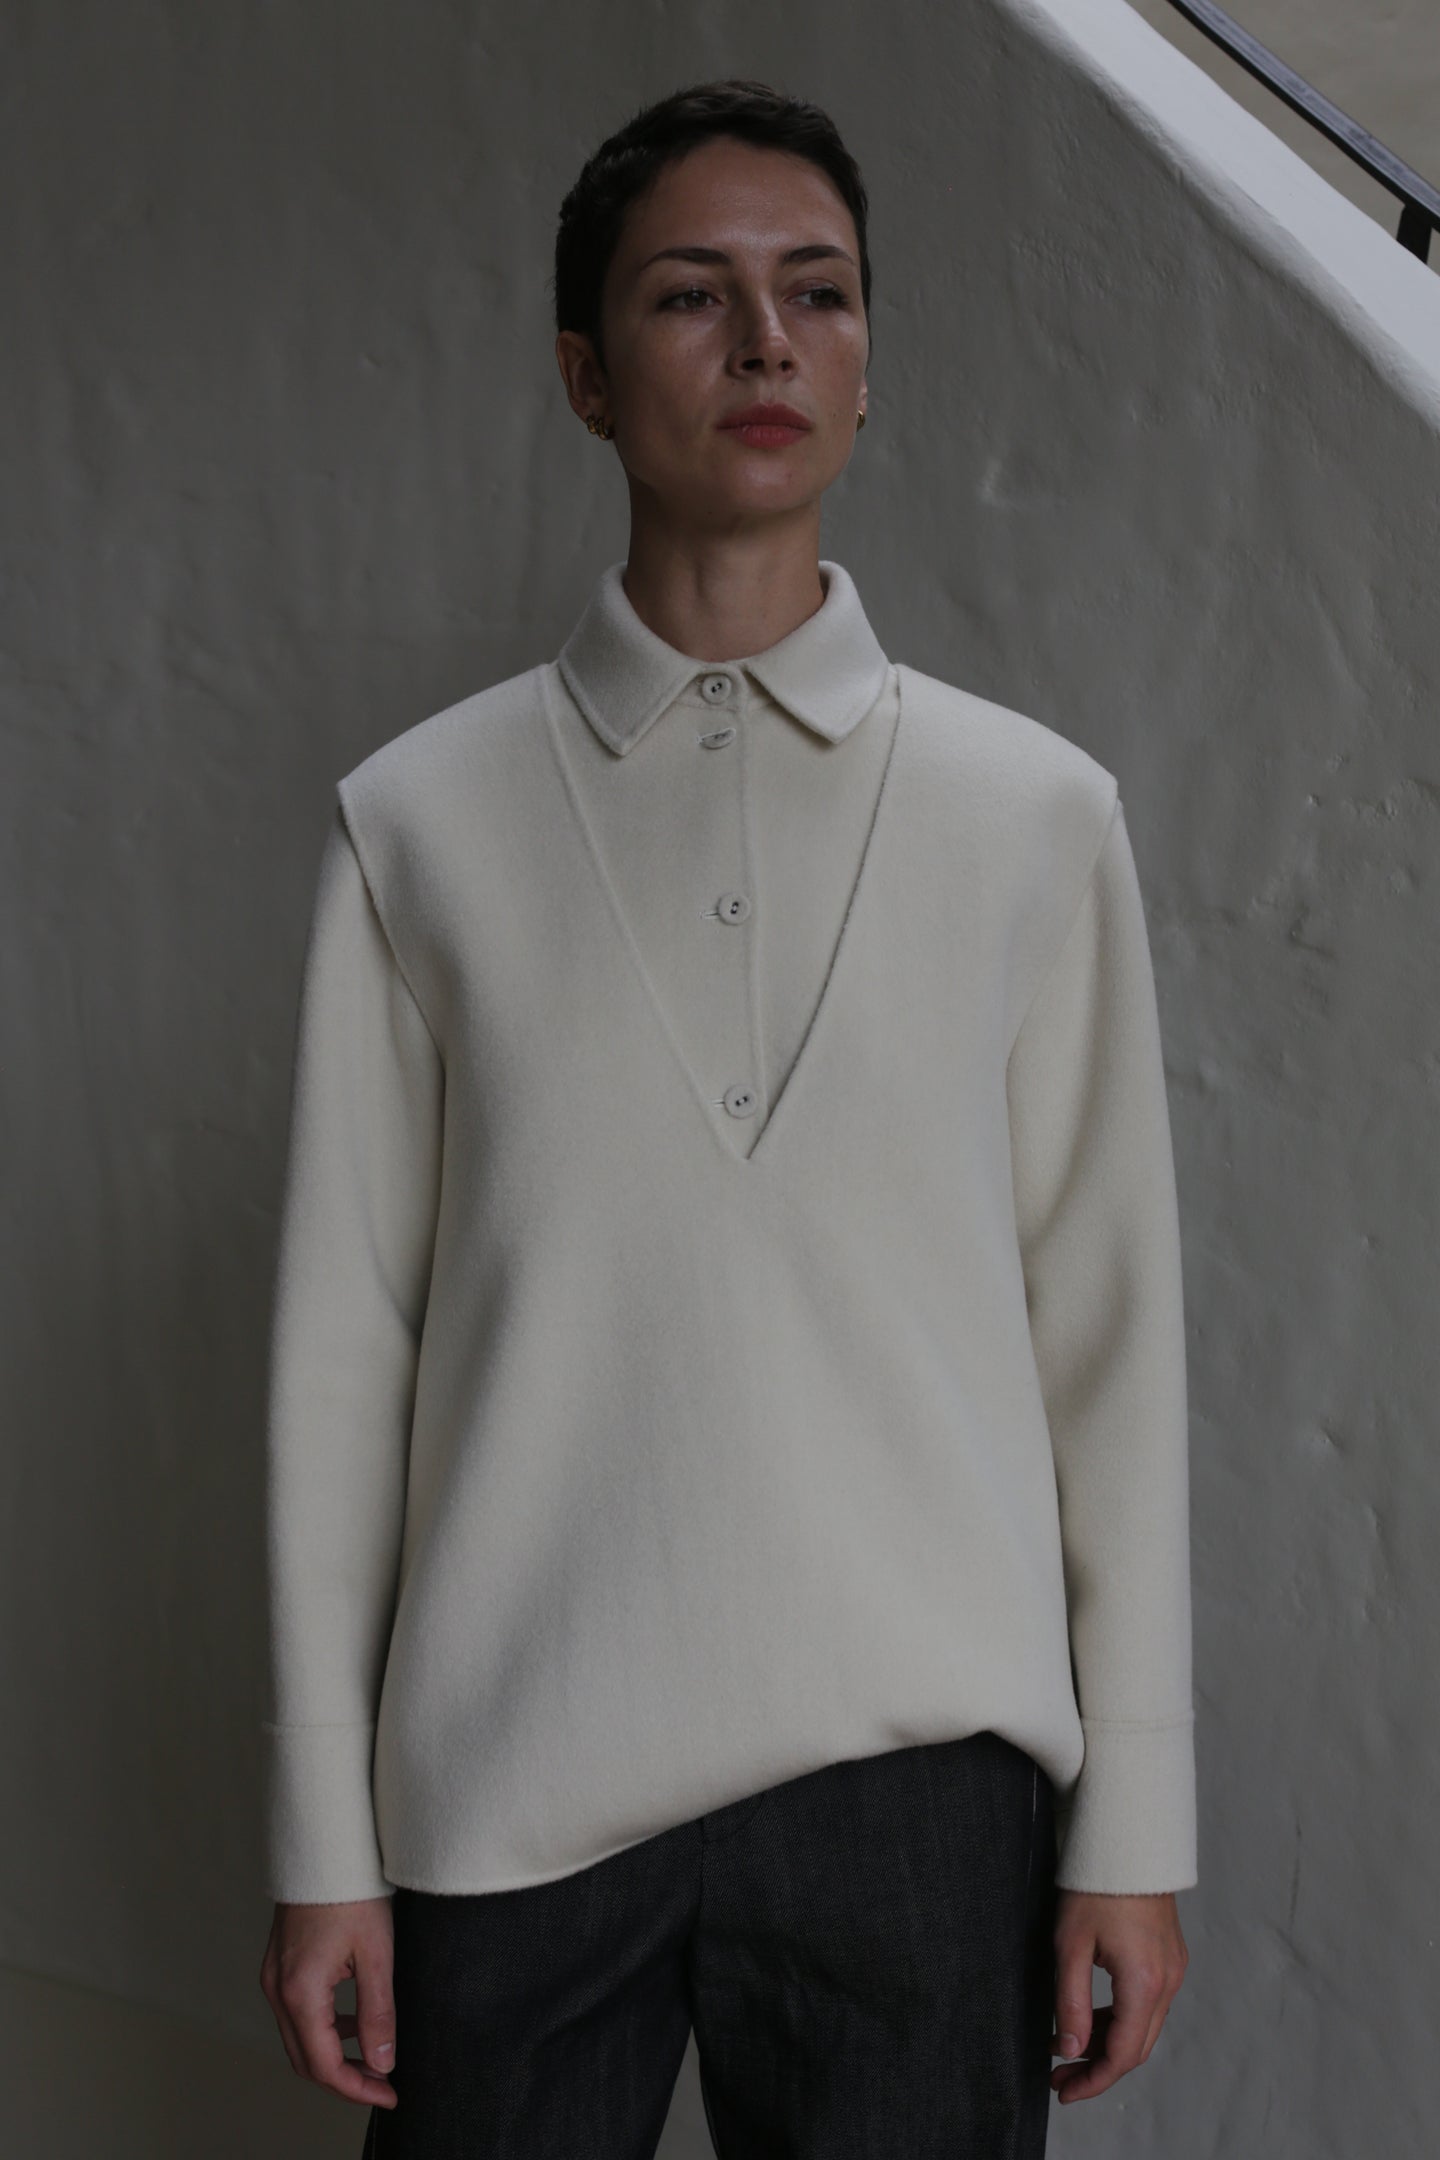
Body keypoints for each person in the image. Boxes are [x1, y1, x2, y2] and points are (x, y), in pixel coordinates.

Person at [258, 76, 1194, 2156]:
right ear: (588, 377)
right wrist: (325, 1830)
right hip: (507, 1783)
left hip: (922, 1794)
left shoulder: (1036, 818)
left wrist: (1137, 1809)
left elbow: (1109, 1353)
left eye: (821, 293)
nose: (767, 342)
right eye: (694, 296)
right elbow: (343, 1365)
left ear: (867, 364)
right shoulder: (413, 825)